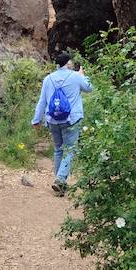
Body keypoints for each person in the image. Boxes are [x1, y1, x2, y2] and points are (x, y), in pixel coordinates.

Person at [31, 52, 92, 196]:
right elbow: (89, 88)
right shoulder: (76, 77)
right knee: (71, 149)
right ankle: (60, 179)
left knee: (58, 149)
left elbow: (42, 102)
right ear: (68, 63)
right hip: (71, 119)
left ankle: (59, 183)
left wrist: (36, 120)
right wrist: (83, 75)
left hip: (53, 120)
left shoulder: (48, 79)